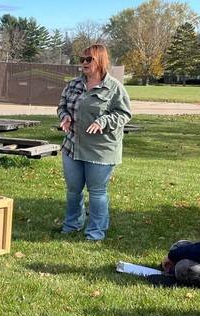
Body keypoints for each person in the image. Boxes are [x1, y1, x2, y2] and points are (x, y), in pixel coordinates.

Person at [56, 44, 131, 242]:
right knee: (73, 191)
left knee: (97, 192)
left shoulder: (114, 87)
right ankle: (72, 224)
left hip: (101, 149)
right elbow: (62, 105)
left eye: (89, 59)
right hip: (72, 145)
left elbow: (124, 114)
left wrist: (103, 121)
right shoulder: (73, 84)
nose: (84, 64)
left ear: (101, 60)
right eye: (82, 60)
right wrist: (64, 116)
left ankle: (96, 231)